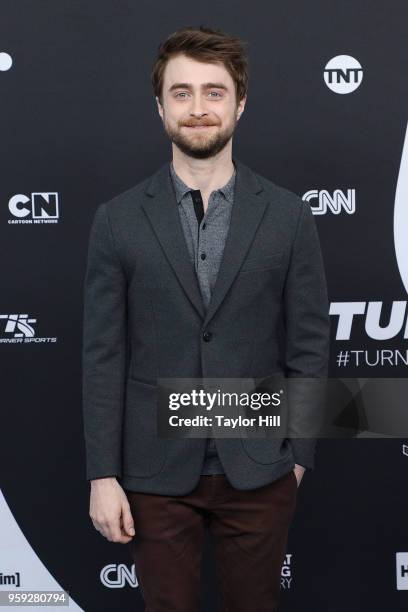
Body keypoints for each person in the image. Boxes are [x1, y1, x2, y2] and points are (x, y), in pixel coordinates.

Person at [82, 25, 330, 611]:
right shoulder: (116, 221)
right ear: (160, 106)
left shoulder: (289, 217)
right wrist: (102, 474)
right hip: (154, 473)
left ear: (240, 104)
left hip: (259, 466)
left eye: (214, 93)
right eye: (183, 92)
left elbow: (310, 346)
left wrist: (298, 456)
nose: (198, 108)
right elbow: (102, 355)